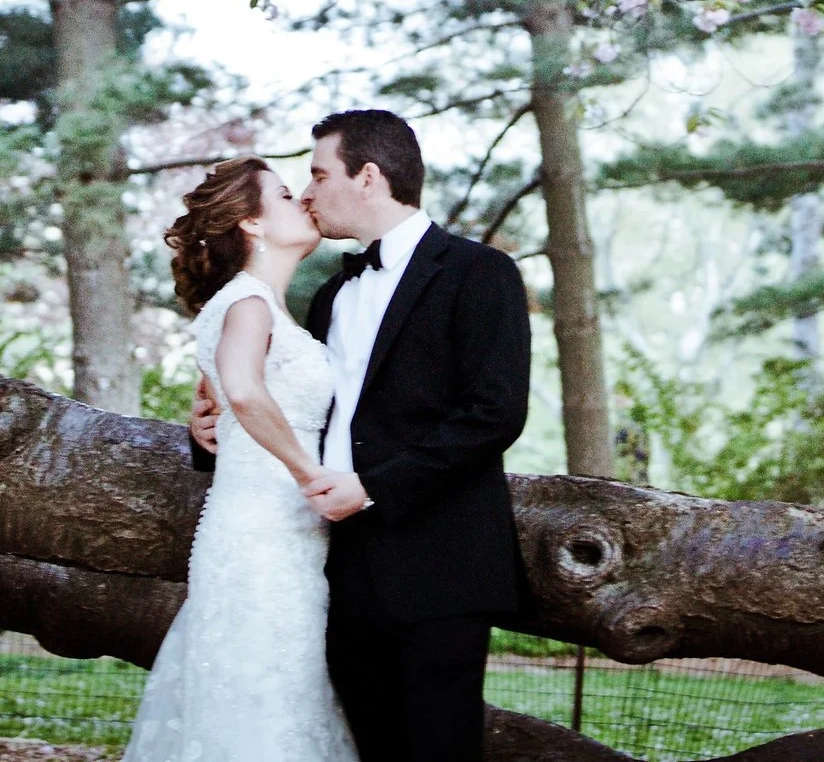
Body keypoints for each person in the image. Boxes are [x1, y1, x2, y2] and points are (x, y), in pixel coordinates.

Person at [190, 109, 531, 762]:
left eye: (319, 174)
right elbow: (301, 410)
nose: (310, 192)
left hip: (440, 563)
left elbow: (493, 413)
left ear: (368, 175)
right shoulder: (327, 297)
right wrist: (207, 434)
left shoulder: (479, 273)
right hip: (338, 569)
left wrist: (374, 485)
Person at [128, 157, 358, 762]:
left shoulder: (255, 306)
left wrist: (207, 422)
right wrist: (310, 475)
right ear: (252, 223)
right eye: (285, 194)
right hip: (262, 534)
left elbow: (225, 401)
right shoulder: (249, 303)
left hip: (280, 531)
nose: (302, 200)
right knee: (263, 690)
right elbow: (245, 391)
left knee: (278, 687)